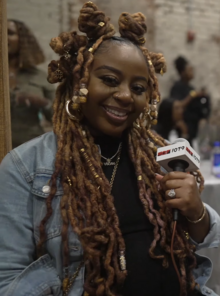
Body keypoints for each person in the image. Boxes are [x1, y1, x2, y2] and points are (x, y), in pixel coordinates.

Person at [0, 3, 219, 296]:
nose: (126, 96)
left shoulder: (159, 155)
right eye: (110, 80)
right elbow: (8, 281)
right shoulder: (25, 167)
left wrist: (197, 213)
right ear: (79, 81)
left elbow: (203, 238)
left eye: (139, 88)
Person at [8, 19, 55, 148]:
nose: (3, 37)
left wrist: (40, 102)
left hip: (29, 149)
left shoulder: (39, 76)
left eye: (10, 33)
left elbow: (59, 118)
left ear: (22, 40)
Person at [170, 56, 211, 144]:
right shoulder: (177, 87)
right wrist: (192, 95)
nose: (192, 72)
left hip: (193, 133)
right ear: (183, 72)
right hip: (181, 134)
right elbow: (177, 106)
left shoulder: (191, 88)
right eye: (189, 70)